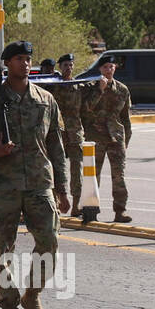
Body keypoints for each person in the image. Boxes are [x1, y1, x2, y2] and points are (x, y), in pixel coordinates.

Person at [0, 41, 70, 309]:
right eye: (18, 59)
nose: (25, 64)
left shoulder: (45, 99)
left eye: (28, 59)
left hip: (40, 182)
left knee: (49, 242)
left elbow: (56, 146)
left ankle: (32, 295)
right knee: (3, 249)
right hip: (4, 184)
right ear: (6, 64)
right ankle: (9, 308)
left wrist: (62, 188)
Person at [81, 54, 133, 223]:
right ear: (100, 69)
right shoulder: (91, 87)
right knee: (93, 176)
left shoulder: (123, 89)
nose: (109, 70)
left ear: (115, 68)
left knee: (119, 176)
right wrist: (99, 90)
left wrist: (126, 140)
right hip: (95, 137)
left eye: (111, 67)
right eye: (105, 67)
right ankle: (91, 210)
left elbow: (125, 118)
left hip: (116, 138)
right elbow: (86, 108)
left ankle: (120, 211)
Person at [55, 53, 87, 216]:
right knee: (56, 167)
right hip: (57, 131)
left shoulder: (79, 87)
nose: (68, 68)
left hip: (75, 131)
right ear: (60, 67)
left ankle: (76, 205)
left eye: (71, 65)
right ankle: (56, 203)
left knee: (77, 169)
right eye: (65, 65)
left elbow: (87, 109)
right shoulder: (53, 86)